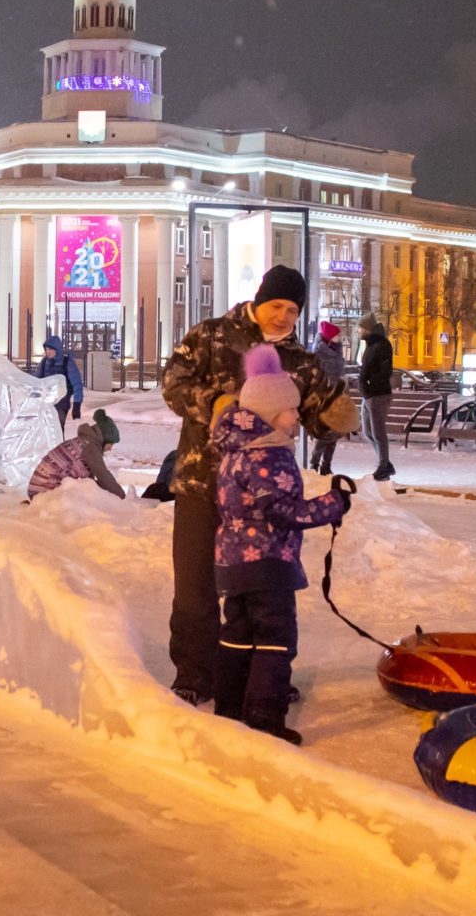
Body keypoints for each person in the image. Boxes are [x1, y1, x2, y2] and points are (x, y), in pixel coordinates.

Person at [159, 265, 343, 707]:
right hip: (203, 483)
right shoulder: (213, 335)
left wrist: (336, 418)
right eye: (276, 306)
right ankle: (195, 675)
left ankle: (265, 673)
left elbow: (317, 417)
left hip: (265, 499)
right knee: (196, 587)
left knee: (263, 592)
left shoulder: (301, 360)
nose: (283, 316)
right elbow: (173, 385)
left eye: (292, 309)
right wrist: (215, 402)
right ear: (259, 301)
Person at [211, 347, 351, 742]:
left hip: (233, 562)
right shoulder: (268, 453)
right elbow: (281, 511)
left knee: (237, 633)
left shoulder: (234, 449)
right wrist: (331, 505)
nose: (296, 418)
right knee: (275, 639)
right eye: (291, 411)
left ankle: (229, 707)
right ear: (271, 414)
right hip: (267, 561)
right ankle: (264, 717)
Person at [27, 408, 126, 501]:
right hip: (45, 491)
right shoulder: (90, 447)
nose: (110, 449)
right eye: (110, 444)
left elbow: (89, 480)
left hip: (38, 488)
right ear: (105, 438)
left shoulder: (83, 442)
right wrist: (123, 498)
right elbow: (103, 475)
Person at [356, 316, 396, 482]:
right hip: (369, 395)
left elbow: (385, 371)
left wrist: (371, 386)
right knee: (367, 431)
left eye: (360, 328)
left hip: (378, 394)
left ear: (368, 329)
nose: (358, 331)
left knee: (378, 432)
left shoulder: (382, 345)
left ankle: (383, 466)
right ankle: (385, 463)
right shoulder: (370, 345)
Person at [308, 320, 349, 475]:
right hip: (325, 398)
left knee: (334, 433)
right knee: (326, 433)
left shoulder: (336, 350)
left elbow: (340, 376)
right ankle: (314, 464)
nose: (340, 337)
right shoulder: (319, 353)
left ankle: (326, 465)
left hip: (338, 397)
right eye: (337, 334)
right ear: (329, 337)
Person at [36, 332, 85, 429]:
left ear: (57, 349)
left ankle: (59, 443)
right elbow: (36, 379)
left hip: (62, 403)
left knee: (57, 428)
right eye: (46, 349)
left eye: (50, 349)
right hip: (46, 402)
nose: (48, 352)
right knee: (45, 431)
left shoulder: (67, 363)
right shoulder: (44, 362)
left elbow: (77, 384)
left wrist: (77, 404)